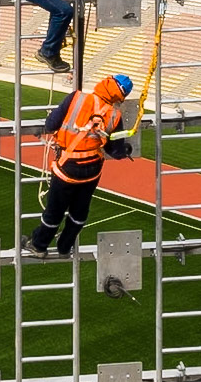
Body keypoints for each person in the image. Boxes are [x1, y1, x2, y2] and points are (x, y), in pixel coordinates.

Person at [23, 74, 135, 258]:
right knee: (80, 209)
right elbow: (115, 150)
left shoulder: (77, 97)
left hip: (67, 167)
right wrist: (125, 149)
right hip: (92, 169)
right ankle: (65, 246)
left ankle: (38, 245)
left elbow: (51, 124)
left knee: (55, 209)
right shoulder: (115, 115)